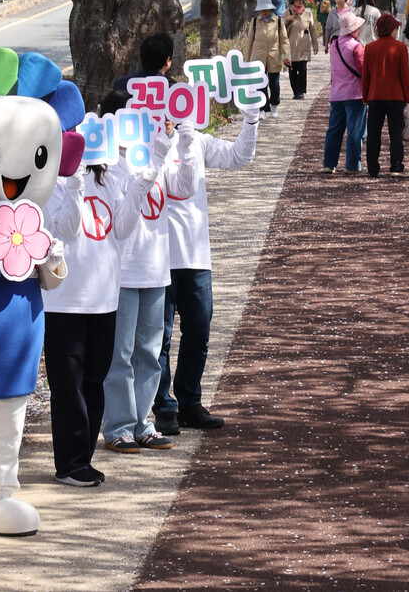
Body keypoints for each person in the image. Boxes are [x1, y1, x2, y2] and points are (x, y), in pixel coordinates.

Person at [43, 137, 160, 485]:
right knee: (68, 386)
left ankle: (84, 458)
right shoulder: (51, 181)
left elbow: (121, 228)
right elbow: (67, 228)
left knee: (94, 381)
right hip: (65, 300)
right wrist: (74, 183)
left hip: (105, 297)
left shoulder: (108, 178)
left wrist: (142, 185)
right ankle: (69, 463)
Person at [102, 38, 198, 454]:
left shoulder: (157, 153)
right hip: (123, 271)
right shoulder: (109, 165)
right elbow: (121, 218)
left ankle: (143, 422)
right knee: (120, 354)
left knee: (149, 351)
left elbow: (184, 186)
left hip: (157, 268)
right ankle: (118, 426)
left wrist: (186, 139)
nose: (146, 120)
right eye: (135, 114)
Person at [154, 99, 260, 433]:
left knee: (198, 333)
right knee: (160, 339)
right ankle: (163, 407)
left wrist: (251, 118)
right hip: (155, 258)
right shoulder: (144, 145)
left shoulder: (197, 139)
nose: (172, 114)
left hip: (195, 256)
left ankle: (189, 402)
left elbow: (239, 156)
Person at [362, 13, 409, 176]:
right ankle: (396, 166)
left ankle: (372, 168)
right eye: (396, 28)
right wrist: (407, 97)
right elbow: (405, 75)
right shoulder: (400, 47)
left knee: (374, 133)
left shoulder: (369, 48)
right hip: (395, 96)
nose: (398, 30)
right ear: (391, 30)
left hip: (375, 95)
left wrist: (365, 96)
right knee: (395, 133)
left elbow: (366, 75)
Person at [322, 12, 367, 174]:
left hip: (336, 93)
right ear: (354, 29)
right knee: (355, 130)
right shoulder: (356, 46)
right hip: (354, 94)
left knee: (334, 129)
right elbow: (363, 70)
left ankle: (329, 163)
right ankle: (353, 164)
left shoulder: (334, 45)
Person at [244, 0, 290, 117]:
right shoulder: (255, 22)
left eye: (266, 10)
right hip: (258, 58)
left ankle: (274, 104)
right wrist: (246, 60)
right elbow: (249, 41)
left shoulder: (278, 21)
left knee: (274, 84)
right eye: (261, 10)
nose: (263, 12)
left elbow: (284, 40)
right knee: (260, 84)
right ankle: (263, 108)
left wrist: (287, 55)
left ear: (271, 9)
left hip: (274, 57)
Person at [283, 0, 319, 99]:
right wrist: (287, 20)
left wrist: (315, 44)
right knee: (293, 70)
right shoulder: (287, 13)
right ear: (292, 1)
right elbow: (280, 28)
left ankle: (301, 91)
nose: (299, 1)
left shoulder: (307, 13)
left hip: (304, 46)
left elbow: (312, 30)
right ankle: (296, 92)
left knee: (302, 69)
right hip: (292, 45)